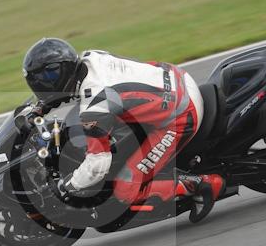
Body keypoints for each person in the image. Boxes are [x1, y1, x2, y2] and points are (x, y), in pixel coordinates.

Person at [22, 37, 225, 223]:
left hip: (180, 114)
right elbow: (72, 92)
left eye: (47, 77)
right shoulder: (91, 58)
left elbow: (98, 164)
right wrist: (42, 106)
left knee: (125, 188)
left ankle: (202, 184)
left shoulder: (95, 106)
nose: (42, 84)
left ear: (62, 71)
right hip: (175, 78)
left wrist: (66, 187)